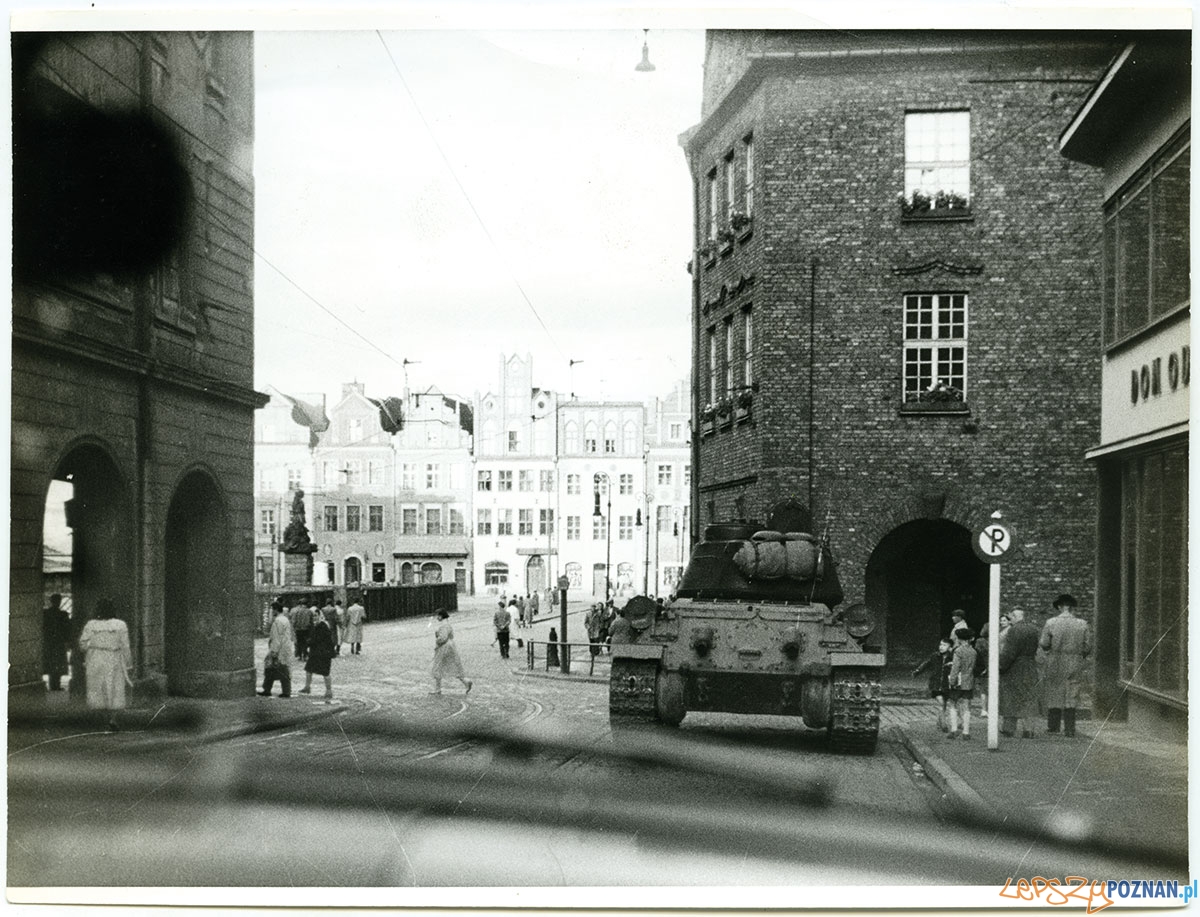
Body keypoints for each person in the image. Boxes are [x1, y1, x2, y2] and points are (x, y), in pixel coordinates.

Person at [1039, 593, 1091, 737]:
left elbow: (1044, 643)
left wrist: (1052, 649)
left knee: (1055, 691)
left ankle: (1053, 726)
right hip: (1075, 661)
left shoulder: (1051, 622)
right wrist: (1079, 654)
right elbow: (1087, 646)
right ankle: (1069, 729)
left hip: (1055, 660)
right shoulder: (1082, 624)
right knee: (1072, 693)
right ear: (1072, 607)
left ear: (1059, 607)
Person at [77, 598, 132, 730]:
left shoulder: (91, 625)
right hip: (114, 657)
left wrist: (93, 647)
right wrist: (128, 663)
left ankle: (102, 719)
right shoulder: (120, 625)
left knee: (97, 687)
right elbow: (125, 646)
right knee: (115, 687)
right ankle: (113, 719)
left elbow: (82, 644)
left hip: (96, 658)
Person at [998, 607, 1040, 738]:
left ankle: (1009, 728)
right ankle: (1029, 730)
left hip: (1015, 667)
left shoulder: (1013, 630)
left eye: (1010, 617)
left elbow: (1009, 652)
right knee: (1028, 697)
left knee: (1010, 697)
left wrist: (1001, 666)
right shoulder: (1033, 629)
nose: (1009, 620)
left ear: (1015, 617)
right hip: (1030, 665)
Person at [913, 639, 953, 732]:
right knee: (941, 703)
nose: (941, 647)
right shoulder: (935, 656)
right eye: (940, 645)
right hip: (935, 683)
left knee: (944, 704)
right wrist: (918, 671)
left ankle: (939, 724)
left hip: (946, 684)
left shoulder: (952, 658)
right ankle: (944, 725)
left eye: (944, 645)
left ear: (950, 648)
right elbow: (926, 664)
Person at [431, 609, 472, 695]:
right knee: (453, 665)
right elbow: (451, 636)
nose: (437, 617)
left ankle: (437, 689)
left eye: (438, 615)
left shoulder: (443, 626)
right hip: (450, 646)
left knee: (437, 666)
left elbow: (442, 638)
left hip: (444, 647)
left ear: (441, 616)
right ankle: (465, 681)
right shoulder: (448, 624)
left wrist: (437, 638)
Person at [946, 627, 977, 740]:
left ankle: (954, 730)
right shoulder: (973, 651)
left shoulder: (958, 651)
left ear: (959, 639)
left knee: (953, 704)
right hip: (969, 680)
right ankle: (966, 732)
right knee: (967, 706)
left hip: (958, 681)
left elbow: (956, 667)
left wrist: (951, 680)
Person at [260, 602, 294, 698]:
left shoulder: (277, 621)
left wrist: (274, 651)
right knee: (272, 669)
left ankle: (285, 691)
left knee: (280, 669)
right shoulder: (285, 619)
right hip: (285, 647)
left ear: (275, 610)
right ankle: (267, 689)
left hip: (279, 649)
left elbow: (276, 637)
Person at [300, 611, 336, 703]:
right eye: (313, 616)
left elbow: (317, 639)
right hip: (316, 652)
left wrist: (308, 642)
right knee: (309, 669)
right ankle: (307, 687)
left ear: (320, 616)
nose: (314, 618)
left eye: (316, 616)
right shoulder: (317, 626)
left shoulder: (322, 626)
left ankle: (329, 691)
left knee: (325, 672)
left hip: (323, 653)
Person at [42, 593, 71, 691]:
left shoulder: (45, 613)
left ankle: (52, 685)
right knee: (58, 664)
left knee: (51, 664)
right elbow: (67, 629)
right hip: (59, 643)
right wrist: (67, 641)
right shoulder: (63, 614)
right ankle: (56, 685)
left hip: (49, 643)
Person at [974, 623, 991, 718]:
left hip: (983, 667)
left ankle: (984, 710)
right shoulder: (997, 639)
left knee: (983, 690)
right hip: (991, 666)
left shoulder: (979, 641)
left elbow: (978, 654)